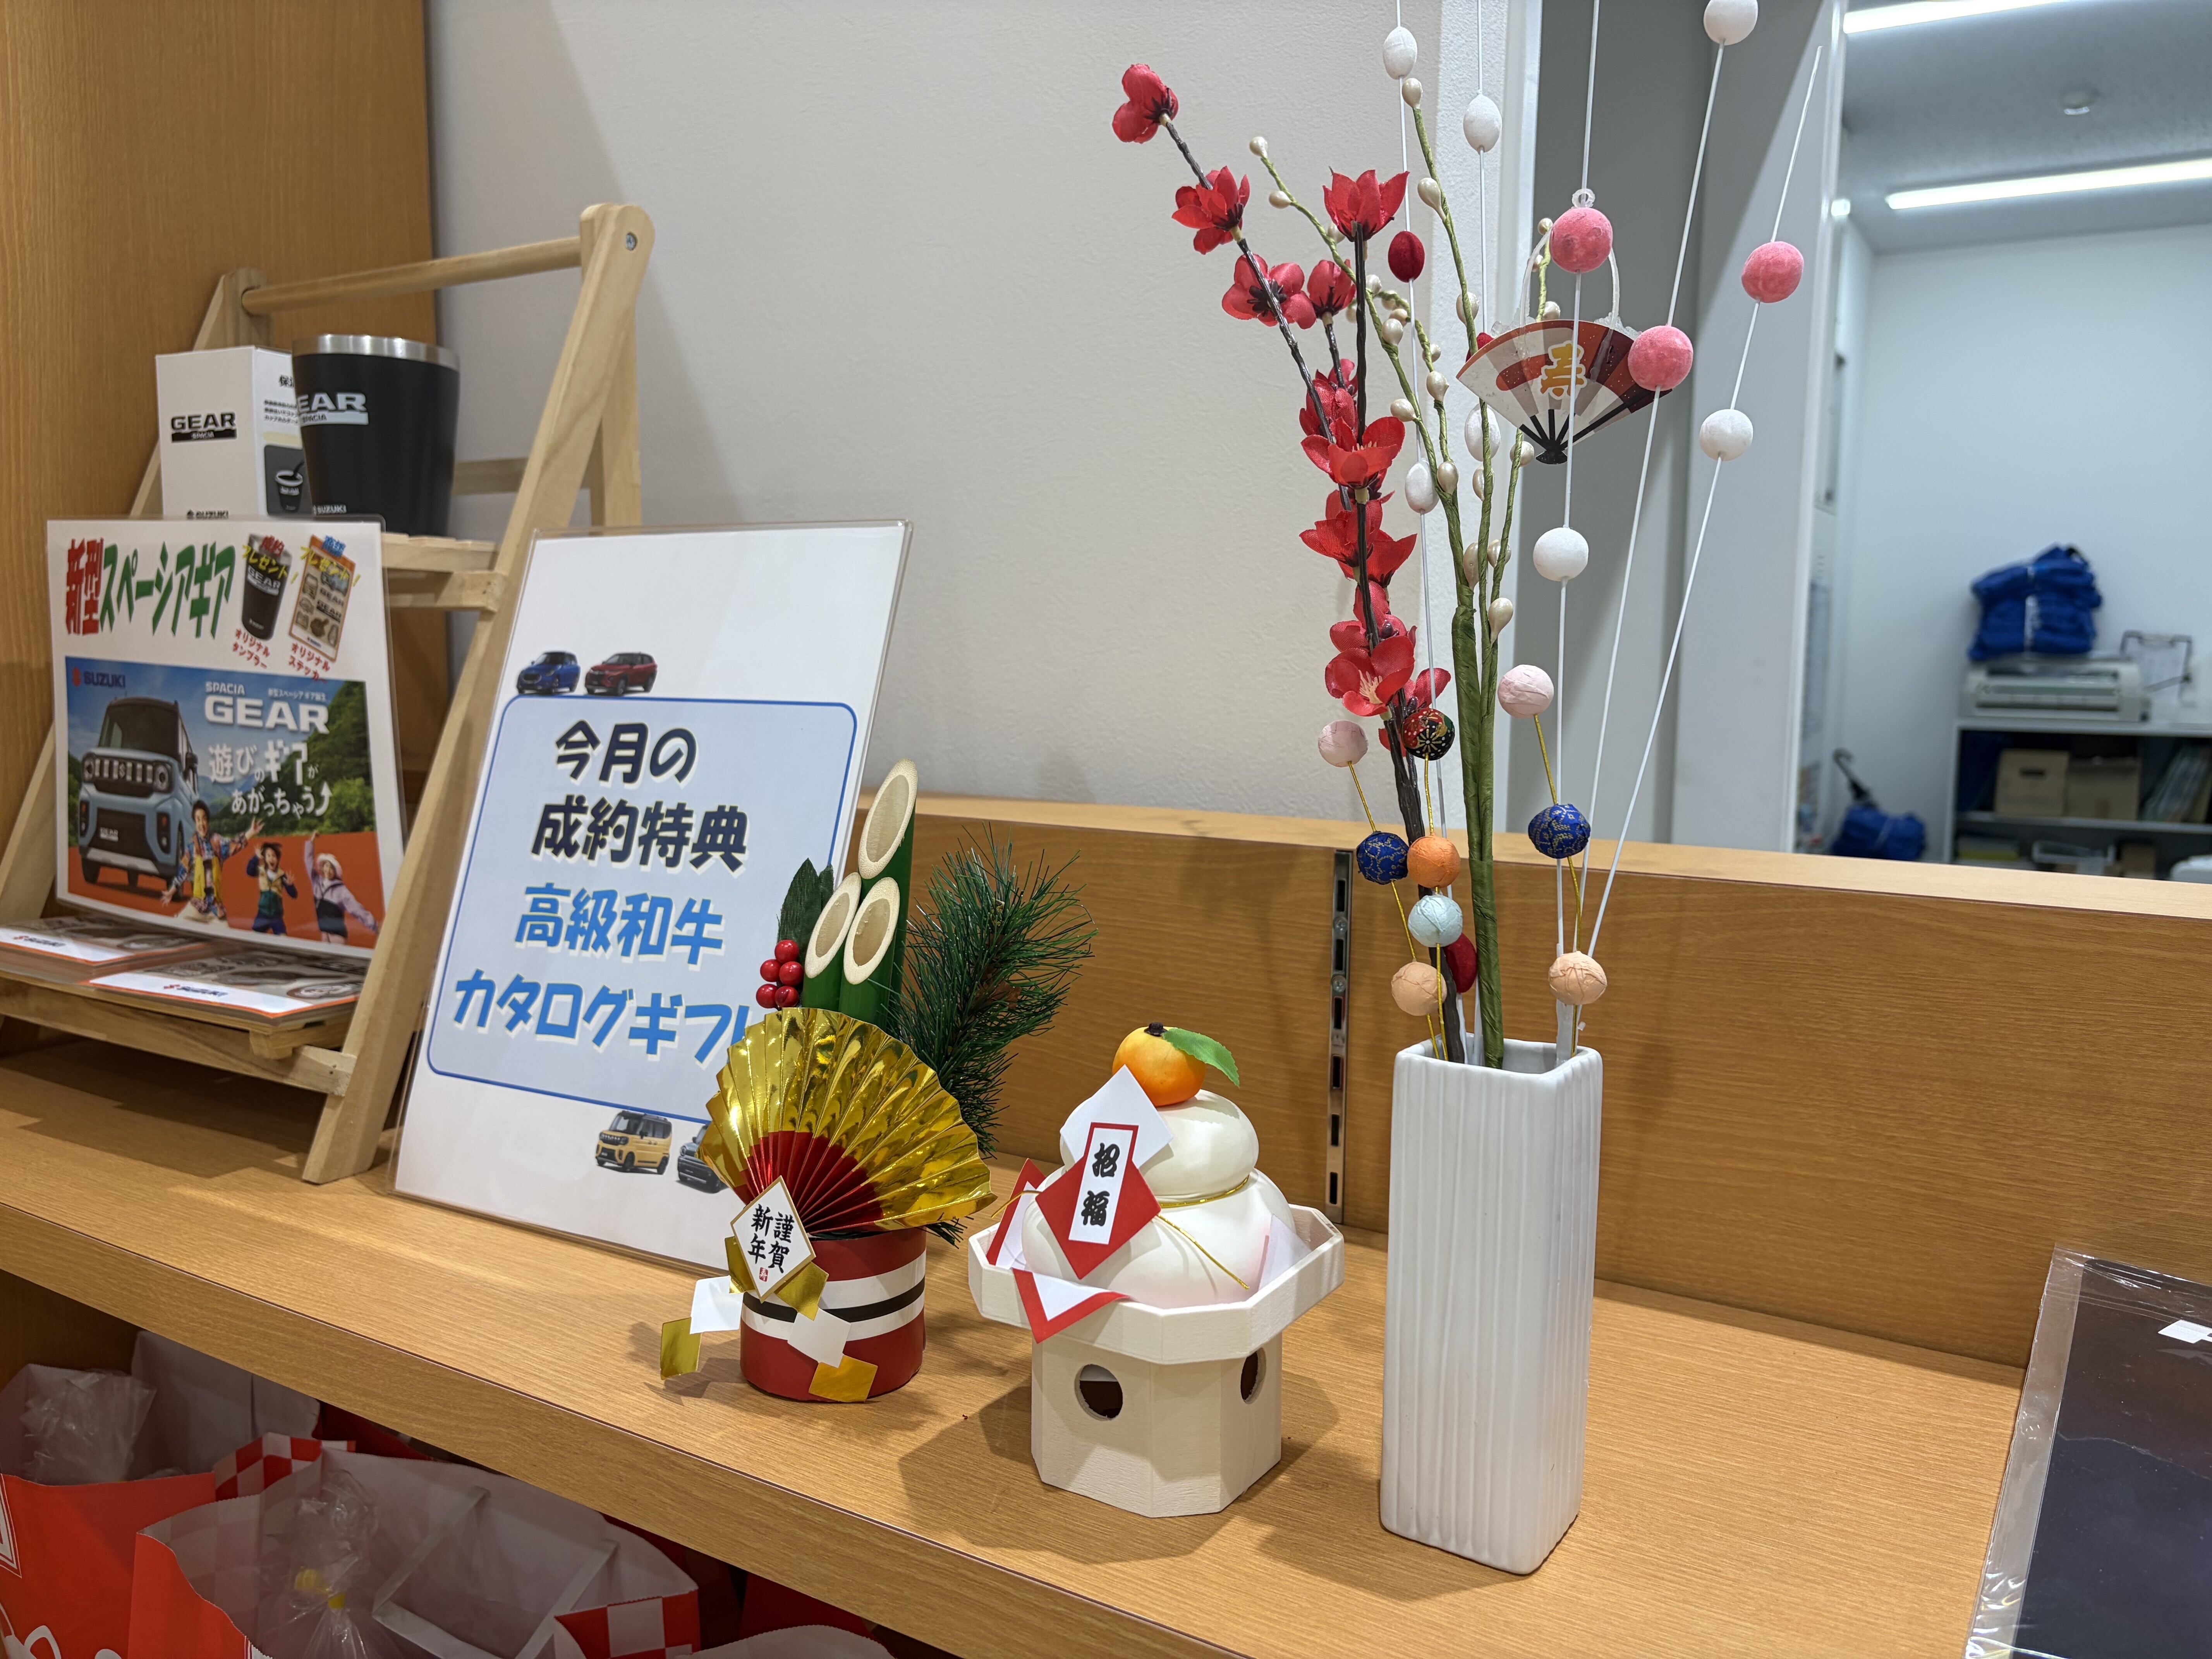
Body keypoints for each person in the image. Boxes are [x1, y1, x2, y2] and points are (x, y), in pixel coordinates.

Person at [168, 803, 259, 925]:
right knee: (178, 923)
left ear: (208, 821)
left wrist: (251, 832)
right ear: (195, 823)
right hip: (198, 906)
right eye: (198, 820)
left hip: (215, 909)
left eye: (204, 819)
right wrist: (171, 892)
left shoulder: (217, 842)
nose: (202, 824)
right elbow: (183, 871)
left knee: (226, 934)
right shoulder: (192, 848)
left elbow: (235, 845)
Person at [305, 835, 379, 946]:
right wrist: (311, 843)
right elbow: (308, 863)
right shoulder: (317, 883)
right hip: (324, 934)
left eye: (332, 868)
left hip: (337, 936)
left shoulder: (341, 891)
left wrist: (375, 926)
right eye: (326, 866)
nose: (328, 870)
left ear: (336, 872)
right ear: (323, 867)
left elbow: (357, 910)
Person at [244, 840, 297, 936]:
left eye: (274, 856)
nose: (271, 858)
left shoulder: (282, 875)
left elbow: (294, 895)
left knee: (283, 938)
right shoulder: (261, 871)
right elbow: (249, 871)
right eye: (269, 856)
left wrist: (290, 886)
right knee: (255, 937)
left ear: (278, 859)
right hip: (263, 913)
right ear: (265, 858)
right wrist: (256, 858)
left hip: (276, 916)